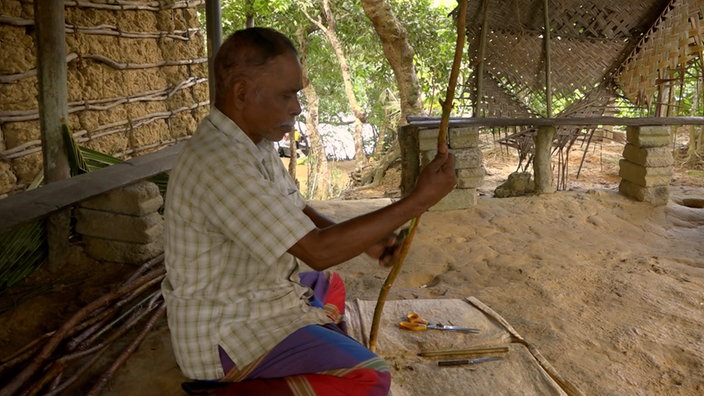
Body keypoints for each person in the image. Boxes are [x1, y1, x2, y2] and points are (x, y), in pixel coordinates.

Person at [162, 27, 456, 395]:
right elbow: (317, 251)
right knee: (369, 377)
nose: (296, 108)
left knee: (330, 285)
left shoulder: (249, 141)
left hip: (253, 294)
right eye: (286, 96)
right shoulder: (220, 163)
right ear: (240, 92)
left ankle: (307, 352)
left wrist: (368, 242)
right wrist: (417, 201)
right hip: (222, 332)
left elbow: (296, 207)